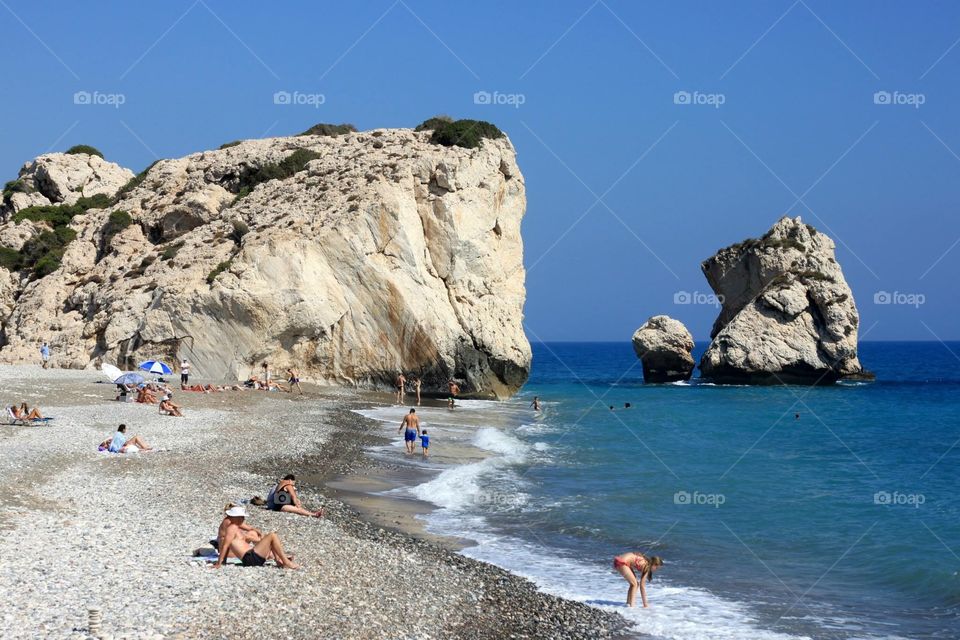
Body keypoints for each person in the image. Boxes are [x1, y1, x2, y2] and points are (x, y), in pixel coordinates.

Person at [212, 504, 299, 569]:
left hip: (251, 556)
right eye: (241, 517)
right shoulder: (232, 528)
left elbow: (227, 545)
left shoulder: (233, 526)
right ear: (235, 517)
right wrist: (220, 563)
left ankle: (278, 560)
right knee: (272, 536)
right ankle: (286, 562)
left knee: (270, 539)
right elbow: (225, 545)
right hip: (250, 558)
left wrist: (222, 562)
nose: (243, 519)